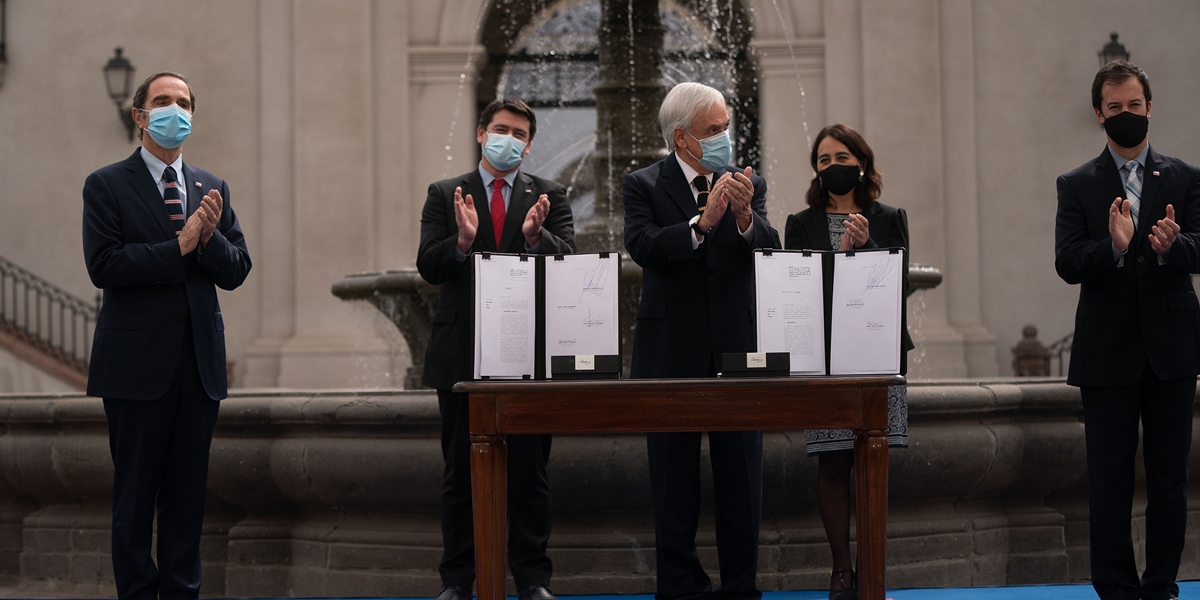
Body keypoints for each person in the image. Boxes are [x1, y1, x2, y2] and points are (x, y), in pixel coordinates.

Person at [82, 72, 251, 600]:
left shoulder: (212, 186)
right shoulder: (106, 183)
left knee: (185, 499)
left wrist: (207, 242)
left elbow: (238, 268)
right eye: (162, 102)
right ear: (140, 115)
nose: (173, 110)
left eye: (182, 103)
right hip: (134, 366)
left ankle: (182, 593)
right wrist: (179, 245)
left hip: (198, 367)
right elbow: (103, 264)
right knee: (134, 500)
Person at [623, 81, 780, 600]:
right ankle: (680, 587)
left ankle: (741, 587)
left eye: (727, 127)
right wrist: (701, 221)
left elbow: (771, 250)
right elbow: (642, 245)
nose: (724, 138)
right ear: (682, 137)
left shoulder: (746, 182)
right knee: (673, 480)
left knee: (741, 477)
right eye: (714, 131)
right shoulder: (643, 183)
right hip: (670, 352)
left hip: (737, 348)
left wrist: (741, 218)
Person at [417, 98, 575, 600]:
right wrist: (461, 244)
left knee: (530, 476)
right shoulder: (446, 193)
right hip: (461, 354)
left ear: (529, 144)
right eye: (501, 129)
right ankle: (457, 581)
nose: (510, 140)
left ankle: (533, 580)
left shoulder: (550, 194)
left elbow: (568, 260)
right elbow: (427, 264)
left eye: (520, 134)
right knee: (459, 474)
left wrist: (535, 239)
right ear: (482, 133)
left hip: (528, 355)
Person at [1055, 60, 1197, 600]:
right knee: (1109, 481)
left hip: (1171, 353)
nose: (1126, 115)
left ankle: (1161, 584)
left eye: (1134, 105)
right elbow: (1067, 261)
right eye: (1115, 108)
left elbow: (1199, 248)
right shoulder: (1077, 184)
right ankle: (1115, 587)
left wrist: (1171, 246)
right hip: (1107, 353)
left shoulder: (1186, 178)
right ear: (1099, 115)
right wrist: (1112, 248)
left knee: (1170, 480)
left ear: (1150, 108)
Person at [783, 124, 911, 600]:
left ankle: (871, 571)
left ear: (861, 162)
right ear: (816, 171)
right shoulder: (801, 222)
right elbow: (797, 288)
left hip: (878, 355)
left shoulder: (889, 216)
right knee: (832, 463)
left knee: (872, 461)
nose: (833, 166)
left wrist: (868, 250)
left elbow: (896, 283)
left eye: (841, 157)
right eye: (823, 160)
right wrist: (840, 257)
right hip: (826, 358)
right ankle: (841, 572)